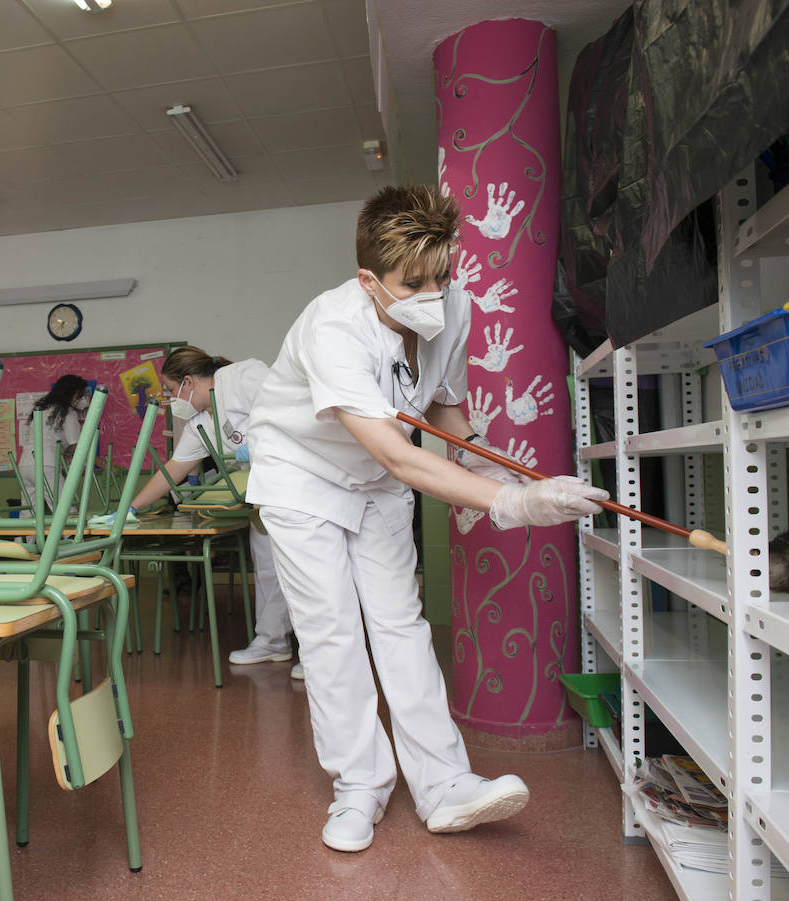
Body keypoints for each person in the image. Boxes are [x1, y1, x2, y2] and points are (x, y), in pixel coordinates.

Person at [246, 184, 607, 852]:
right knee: (332, 634)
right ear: (368, 281)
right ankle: (359, 787)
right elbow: (394, 448)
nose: (432, 293)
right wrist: (507, 502)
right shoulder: (334, 328)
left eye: (441, 275)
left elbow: (440, 411)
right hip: (301, 477)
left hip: (377, 479)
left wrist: (497, 470)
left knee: (402, 626)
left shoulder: (453, 308)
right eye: (413, 283)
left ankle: (445, 785)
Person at [114, 346, 300, 678]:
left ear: (188, 382)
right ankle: (272, 641)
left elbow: (292, 412)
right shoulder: (202, 420)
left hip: (299, 486)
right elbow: (174, 468)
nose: (173, 399)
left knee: (303, 571)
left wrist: (257, 443)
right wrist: (130, 507)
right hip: (265, 494)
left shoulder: (242, 375)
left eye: (172, 390)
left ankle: (321, 658)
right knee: (268, 567)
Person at [17, 374, 90, 512]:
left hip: (25, 465)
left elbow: (60, 442)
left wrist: (66, 452)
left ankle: (26, 535)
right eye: (80, 394)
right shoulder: (67, 412)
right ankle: (71, 534)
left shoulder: (43, 409)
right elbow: (77, 446)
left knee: (29, 512)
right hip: (46, 465)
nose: (81, 399)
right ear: (73, 394)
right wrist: (102, 463)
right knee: (65, 510)